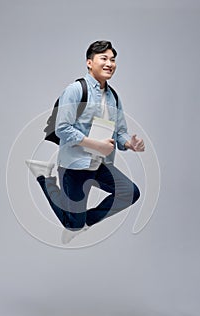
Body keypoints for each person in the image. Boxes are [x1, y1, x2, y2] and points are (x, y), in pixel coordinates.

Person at [26, 40, 145, 244]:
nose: (109, 63)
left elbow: (120, 132)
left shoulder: (113, 96)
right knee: (72, 225)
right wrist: (96, 145)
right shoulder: (75, 90)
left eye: (113, 59)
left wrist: (129, 144)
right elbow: (63, 128)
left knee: (130, 193)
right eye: (104, 58)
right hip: (74, 166)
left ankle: (83, 222)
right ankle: (44, 177)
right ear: (89, 63)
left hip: (100, 164)